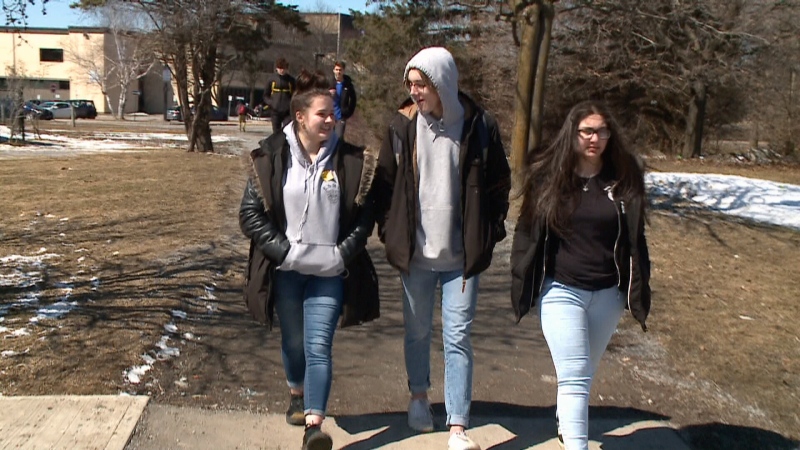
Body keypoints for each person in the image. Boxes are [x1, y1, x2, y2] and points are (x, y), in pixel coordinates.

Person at [375, 47, 511, 450]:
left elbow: (500, 183)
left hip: (461, 260)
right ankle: (419, 398)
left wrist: (489, 232)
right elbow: (383, 185)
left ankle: (457, 424)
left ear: (443, 84)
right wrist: (390, 231)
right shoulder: (402, 126)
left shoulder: (479, 125)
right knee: (417, 332)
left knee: (458, 336)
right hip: (416, 255)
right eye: (411, 85)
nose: (415, 92)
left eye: (422, 85)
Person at [240, 69, 380, 450]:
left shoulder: (352, 160)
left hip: (329, 273)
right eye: (323, 113)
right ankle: (296, 395)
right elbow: (249, 216)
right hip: (287, 271)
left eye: (333, 112)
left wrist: (340, 254)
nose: (331, 118)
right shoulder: (269, 155)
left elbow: (365, 218)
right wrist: (285, 252)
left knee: (319, 346)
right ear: (300, 117)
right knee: (294, 343)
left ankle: (314, 426)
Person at [510, 100, 651, 450]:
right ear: (572, 133)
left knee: (583, 374)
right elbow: (527, 232)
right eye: (587, 130)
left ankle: (565, 423)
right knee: (574, 375)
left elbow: (636, 237)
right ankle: (577, 443)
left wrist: (636, 288)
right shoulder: (550, 176)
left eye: (601, 130)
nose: (594, 138)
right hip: (561, 290)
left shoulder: (623, 175)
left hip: (608, 294)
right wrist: (522, 278)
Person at [265, 57, 296, 134]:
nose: (282, 70)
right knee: (276, 132)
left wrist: (291, 104)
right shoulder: (271, 80)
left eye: (284, 68)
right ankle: (277, 146)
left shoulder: (291, 80)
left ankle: (286, 145)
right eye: (280, 68)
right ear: (276, 68)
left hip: (287, 111)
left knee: (287, 131)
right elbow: (265, 95)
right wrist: (271, 103)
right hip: (275, 110)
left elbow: (295, 94)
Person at [331, 61, 356, 138]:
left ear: (343, 71)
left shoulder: (347, 85)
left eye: (340, 70)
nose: (338, 72)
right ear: (334, 70)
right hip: (329, 116)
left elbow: (353, 99)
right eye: (337, 69)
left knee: (338, 139)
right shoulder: (329, 83)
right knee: (327, 140)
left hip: (340, 117)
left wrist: (348, 112)